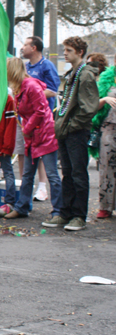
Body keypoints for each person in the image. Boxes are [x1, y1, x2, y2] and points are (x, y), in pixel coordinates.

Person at [42, 37, 98, 231]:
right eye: (64, 50)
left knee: (78, 174)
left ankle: (79, 216)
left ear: (80, 52)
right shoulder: (72, 73)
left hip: (76, 132)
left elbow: (88, 108)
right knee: (67, 173)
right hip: (66, 131)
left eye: (68, 50)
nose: (64, 53)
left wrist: (72, 125)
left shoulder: (85, 74)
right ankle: (65, 213)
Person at [3, 58, 62, 221]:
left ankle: (58, 211)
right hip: (33, 135)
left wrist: (27, 129)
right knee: (28, 174)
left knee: (52, 174)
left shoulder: (30, 86)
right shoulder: (20, 88)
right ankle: (22, 207)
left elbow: (40, 111)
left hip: (44, 135)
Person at [20, 36, 60, 202]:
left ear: (34, 47)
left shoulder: (46, 65)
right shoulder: (26, 67)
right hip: (27, 121)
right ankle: (22, 202)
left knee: (47, 159)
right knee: (28, 159)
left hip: (43, 121)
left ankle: (43, 188)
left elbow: (53, 90)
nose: (22, 48)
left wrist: (32, 96)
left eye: (25, 44)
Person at [92, 57, 116, 218]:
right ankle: (105, 206)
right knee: (106, 167)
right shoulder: (107, 77)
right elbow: (93, 105)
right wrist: (105, 99)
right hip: (109, 128)